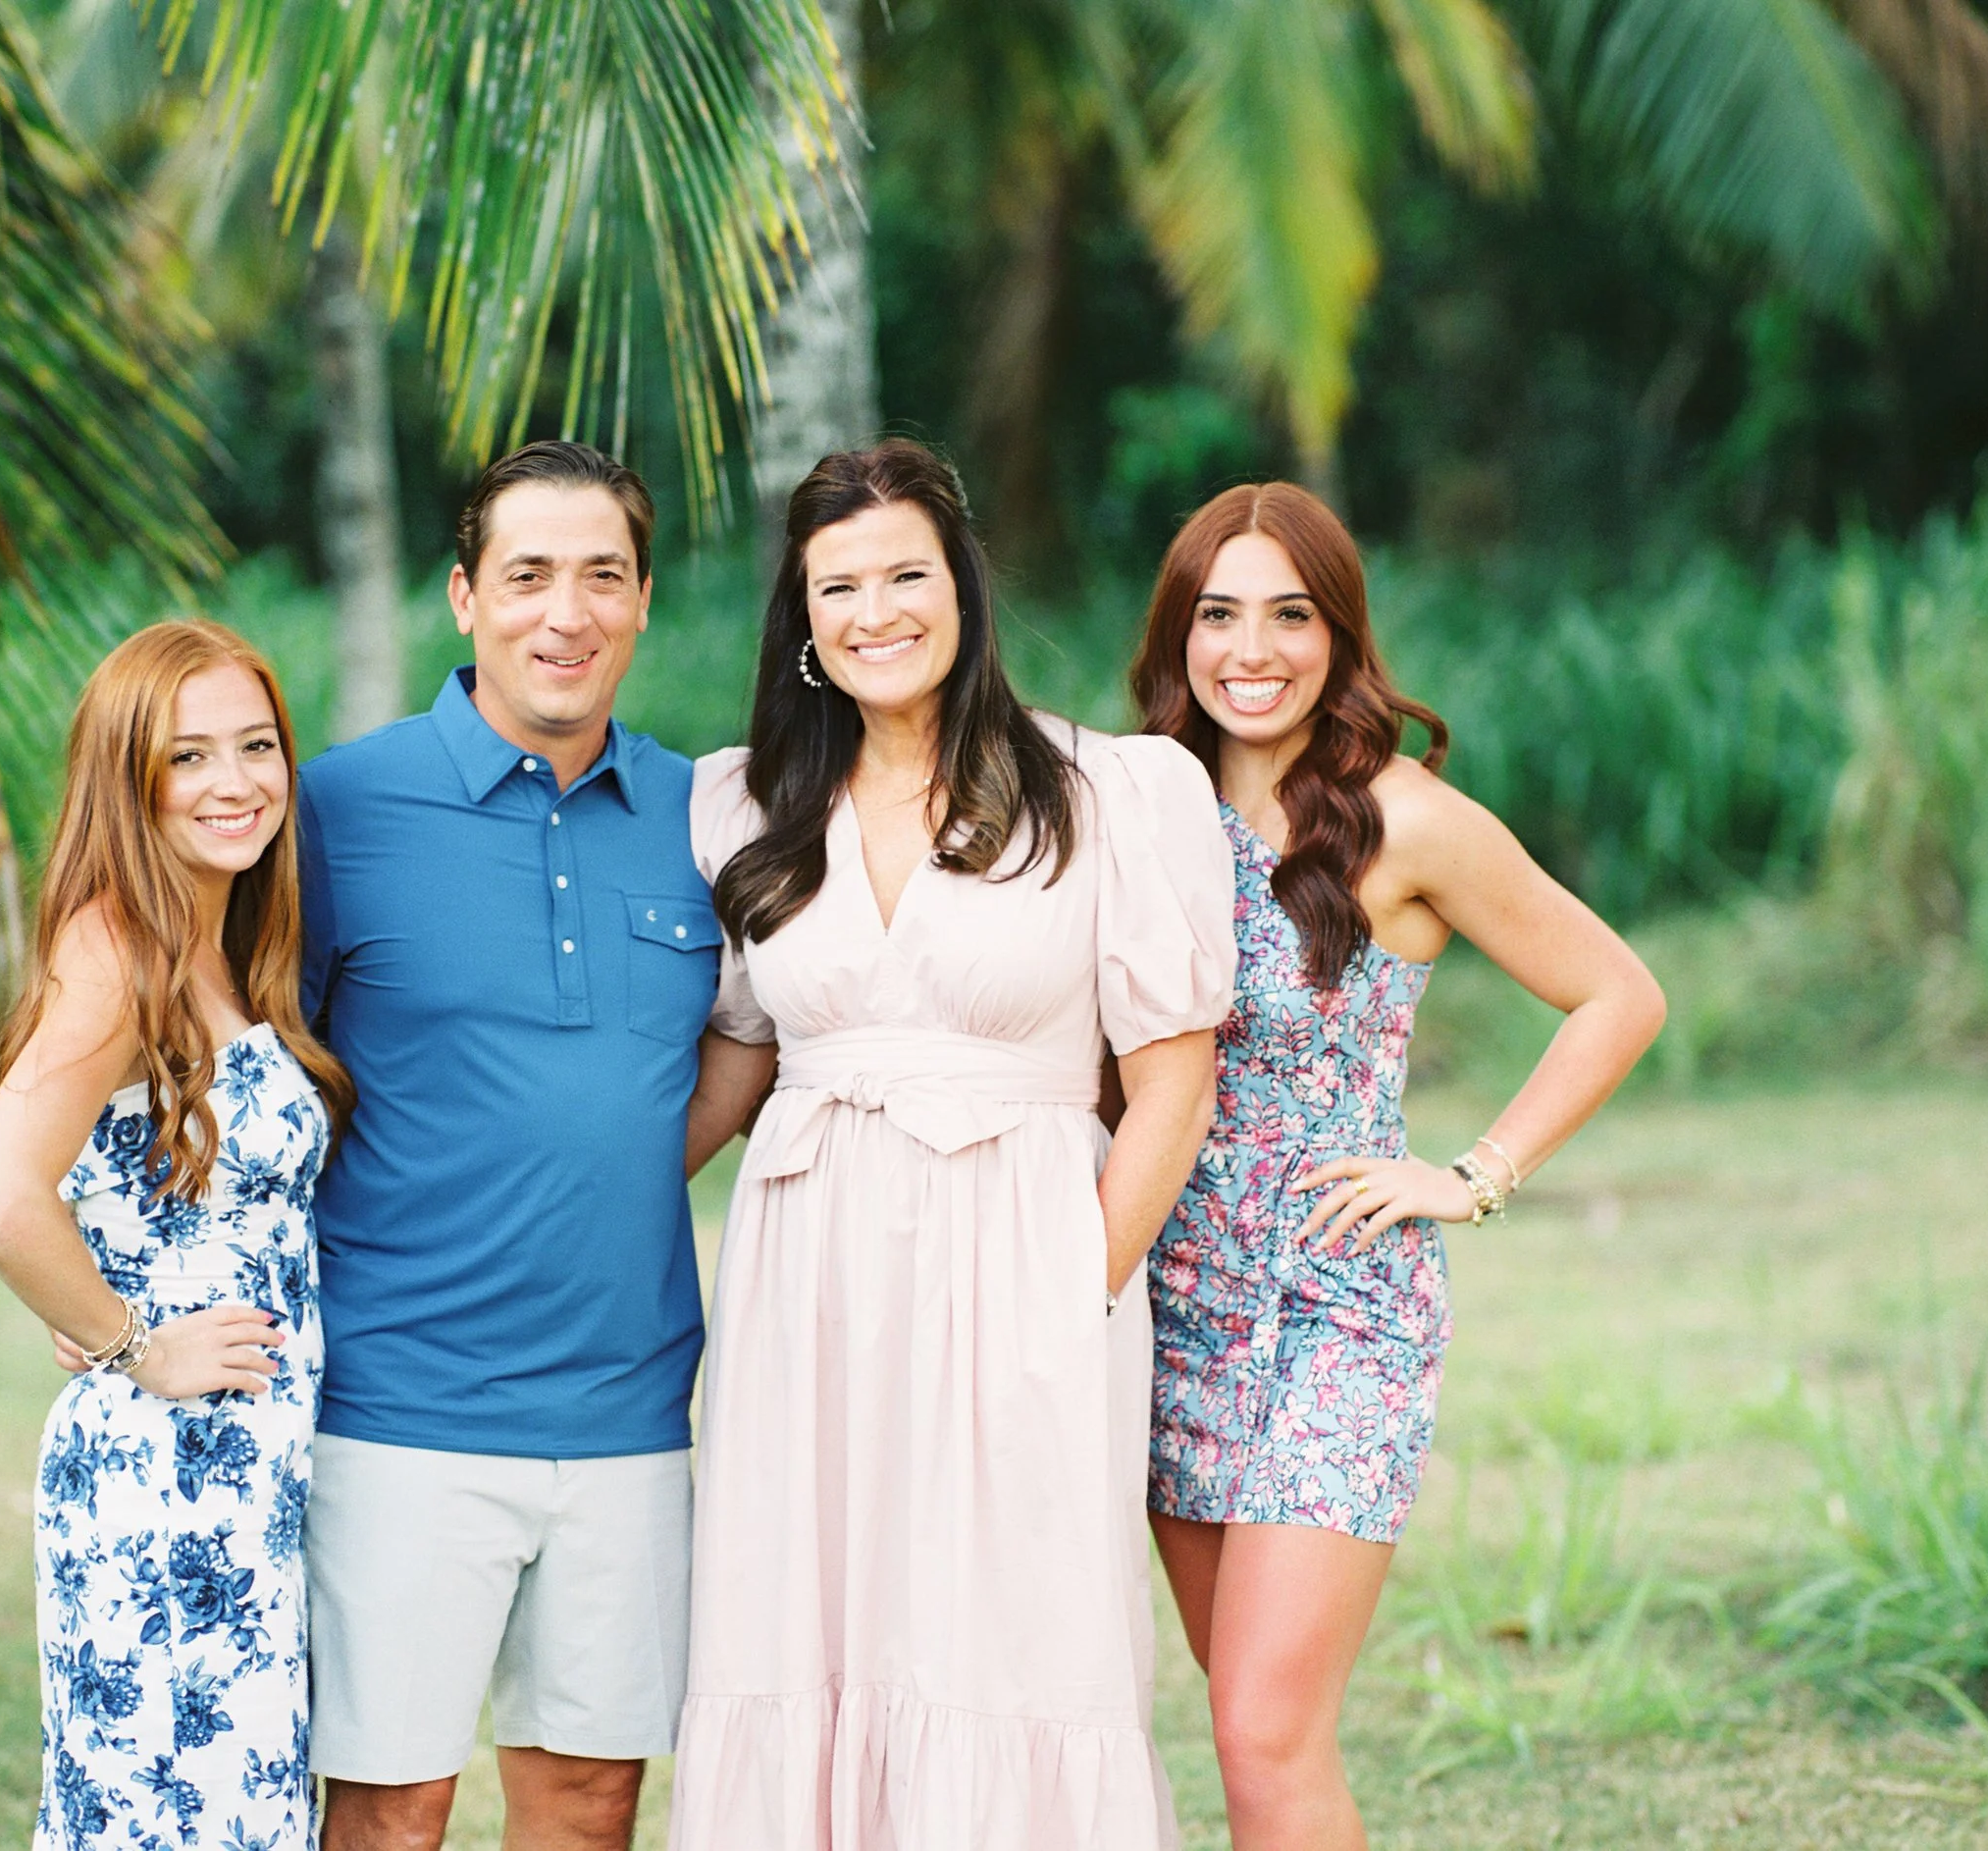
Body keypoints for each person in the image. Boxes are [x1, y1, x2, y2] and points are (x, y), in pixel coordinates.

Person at [670, 440, 1236, 1850]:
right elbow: (740, 1054)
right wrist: (565, 1195)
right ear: (802, 618)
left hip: (1025, 1258)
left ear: (963, 587)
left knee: (1022, 1627)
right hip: (806, 1280)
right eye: (837, 585)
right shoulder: (744, 804)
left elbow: (1172, 1082)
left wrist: (1075, 1284)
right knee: (804, 1621)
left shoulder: (1104, 788)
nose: (875, 611)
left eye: (906, 574)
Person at [1130, 483, 1667, 1849]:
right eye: (1220, 614)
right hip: (1170, 1310)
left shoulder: (1404, 818)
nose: (1252, 650)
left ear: (1339, 632)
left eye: (1290, 615)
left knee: (1263, 1732)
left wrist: (1473, 1172)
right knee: (1250, 1723)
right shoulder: (1137, 806)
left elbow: (1618, 993)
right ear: (1178, 635)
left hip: (1337, 1312)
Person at [295, 441, 725, 1851]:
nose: (567, 612)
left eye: (603, 575)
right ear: (464, 595)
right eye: (529, 575)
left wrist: (619, 1162)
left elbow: (759, 1034)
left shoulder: (707, 813)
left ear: (645, 600)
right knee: (391, 1807)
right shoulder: (338, 810)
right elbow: (242, 1071)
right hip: (398, 1405)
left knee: (591, 1799)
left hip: (629, 1415)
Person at [0, 620, 352, 1850]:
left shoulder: (219, 948)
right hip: (165, 1474)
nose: (234, 782)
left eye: (256, 745)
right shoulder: (112, 947)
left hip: (250, 1472)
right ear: (129, 780)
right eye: (189, 757)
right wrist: (137, 1344)